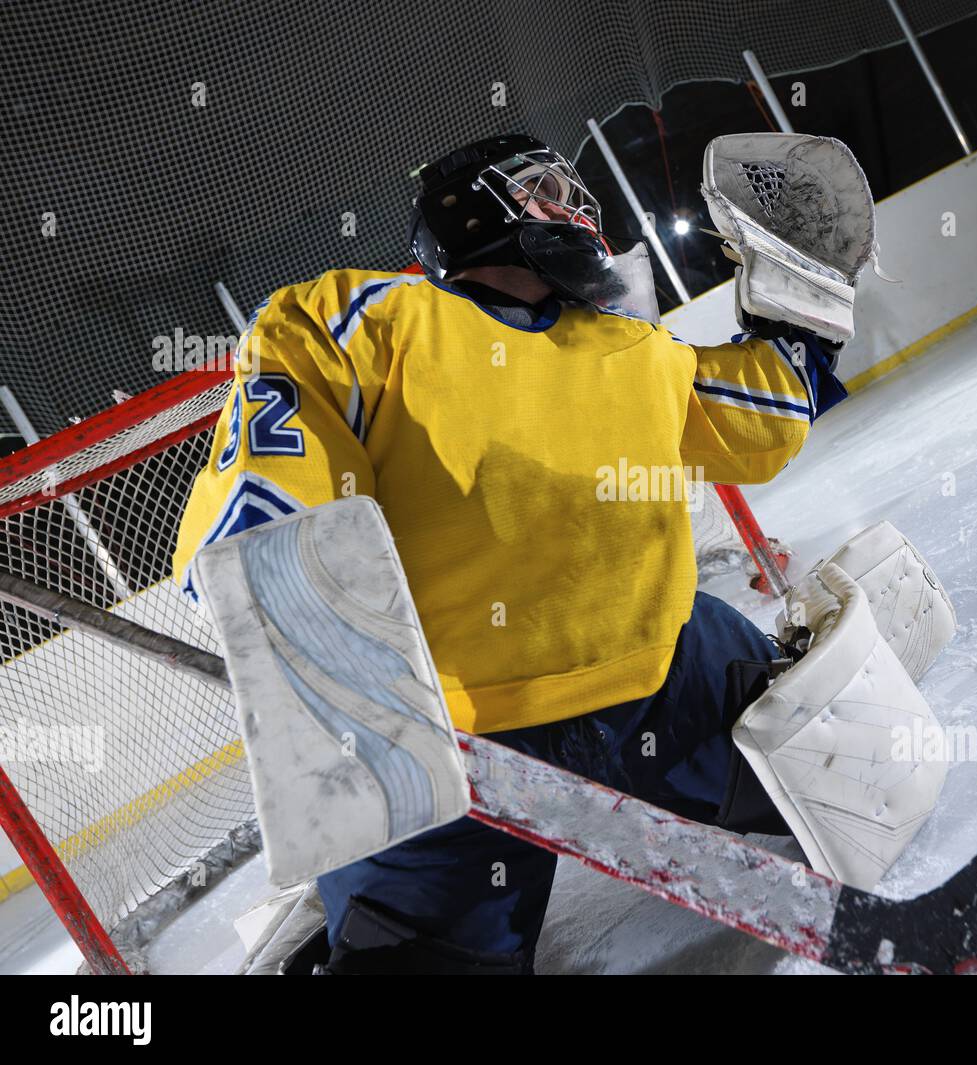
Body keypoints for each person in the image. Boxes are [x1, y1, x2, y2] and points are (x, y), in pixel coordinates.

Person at [173, 133, 847, 973]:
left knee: (845, 755)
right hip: (464, 753)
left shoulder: (629, 344)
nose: (580, 209)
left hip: (656, 683)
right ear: (463, 210)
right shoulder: (363, 318)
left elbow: (763, 418)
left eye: (578, 191)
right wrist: (340, 707)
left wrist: (804, 313)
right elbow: (266, 501)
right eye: (545, 188)